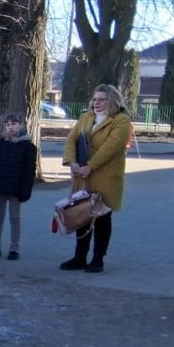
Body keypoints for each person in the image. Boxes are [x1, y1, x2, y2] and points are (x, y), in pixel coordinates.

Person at [61, 84, 132, 273]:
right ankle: (79, 257)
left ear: (112, 101)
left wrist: (90, 166)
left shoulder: (121, 121)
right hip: (83, 177)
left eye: (101, 99)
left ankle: (98, 259)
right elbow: (71, 139)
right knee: (82, 217)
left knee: (101, 219)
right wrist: (72, 162)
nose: (96, 103)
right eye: (94, 99)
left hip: (105, 178)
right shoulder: (86, 117)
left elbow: (110, 148)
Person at [0, 114, 37, 261]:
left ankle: (14, 248)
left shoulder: (28, 147)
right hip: (0, 186)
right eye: (8, 124)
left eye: (14, 124)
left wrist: (26, 190)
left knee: (14, 218)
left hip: (16, 188)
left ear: (21, 125)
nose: (10, 127)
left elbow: (29, 171)